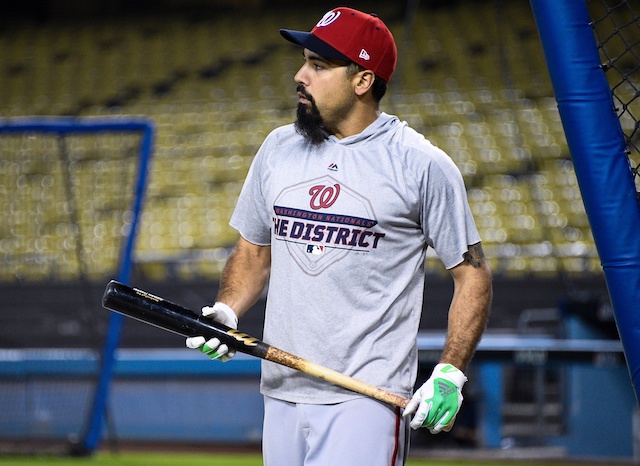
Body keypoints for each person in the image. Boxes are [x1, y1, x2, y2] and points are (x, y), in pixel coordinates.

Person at [186, 6, 492, 465]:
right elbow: (253, 251)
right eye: (305, 61)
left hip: (364, 400)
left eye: (318, 65)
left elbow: (473, 276)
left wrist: (450, 373)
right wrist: (228, 310)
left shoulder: (422, 165)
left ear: (363, 81)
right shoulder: (277, 148)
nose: (300, 75)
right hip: (281, 390)